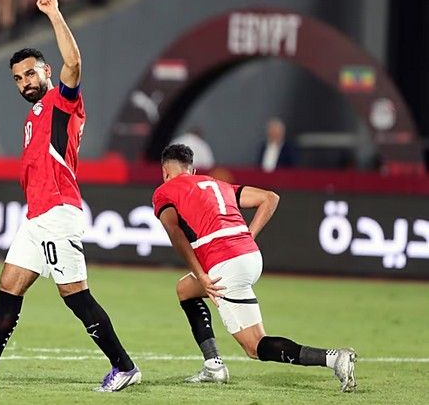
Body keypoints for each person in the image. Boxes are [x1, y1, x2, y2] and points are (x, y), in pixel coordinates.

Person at [0, 0, 141, 392]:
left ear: (46, 71)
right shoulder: (34, 114)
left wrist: (54, 14)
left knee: (75, 295)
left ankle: (124, 367)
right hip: (37, 216)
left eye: (30, 73)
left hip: (58, 212)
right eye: (18, 78)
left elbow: (74, 63)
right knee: (8, 287)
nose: (25, 82)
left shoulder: (61, 102)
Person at [152, 143, 357, 392]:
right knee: (185, 289)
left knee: (255, 346)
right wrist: (249, 236)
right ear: (192, 170)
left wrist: (202, 274)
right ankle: (213, 365)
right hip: (250, 256)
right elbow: (270, 198)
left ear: (165, 171)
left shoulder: (164, 191)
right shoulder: (217, 184)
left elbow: (175, 234)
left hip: (225, 264)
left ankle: (334, 359)